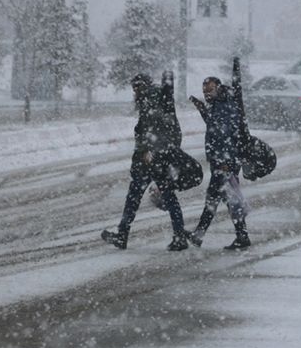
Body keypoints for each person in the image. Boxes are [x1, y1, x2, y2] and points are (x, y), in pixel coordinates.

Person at [101, 72, 190, 251]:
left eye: (139, 86)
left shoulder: (153, 101)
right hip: (150, 160)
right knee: (142, 198)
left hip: (153, 160)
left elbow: (159, 131)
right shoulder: (149, 101)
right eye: (134, 87)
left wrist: (154, 152)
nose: (135, 90)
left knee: (146, 198)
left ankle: (124, 234)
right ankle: (125, 234)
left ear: (146, 85)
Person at [186, 75, 251, 250]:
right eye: (204, 91)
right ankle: (202, 235)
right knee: (221, 198)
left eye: (210, 90)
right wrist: (202, 109)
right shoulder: (220, 103)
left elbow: (226, 135)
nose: (207, 94)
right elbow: (215, 125)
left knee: (221, 199)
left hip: (225, 161)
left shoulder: (225, 105)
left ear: (218, 88)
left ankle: (202, 235)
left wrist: (224, 162)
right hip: (221, 160)